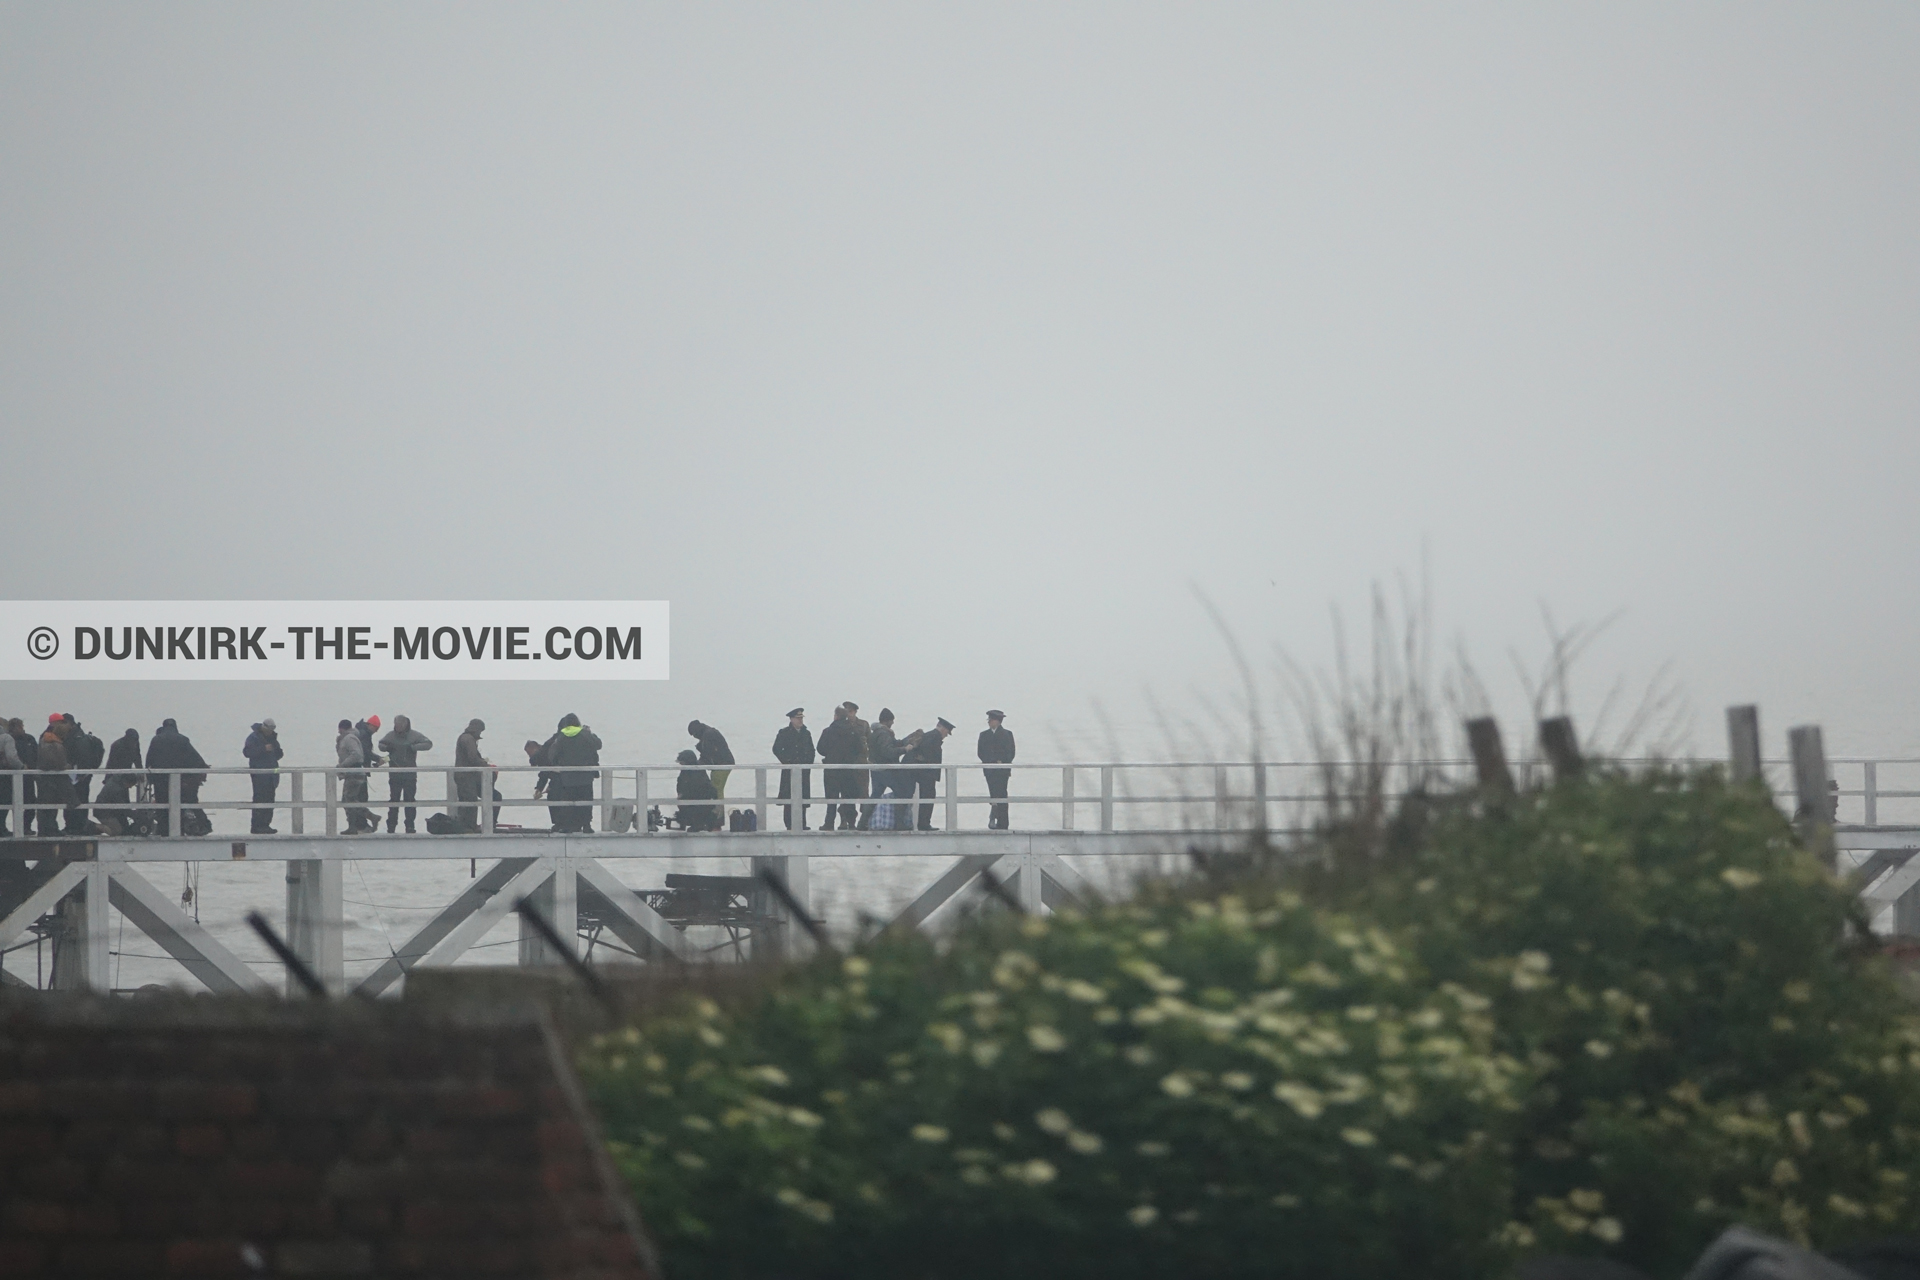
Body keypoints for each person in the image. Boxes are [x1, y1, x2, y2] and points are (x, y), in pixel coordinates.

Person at [146, 719, 209, 836]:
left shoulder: (156, 739)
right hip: (180, 781)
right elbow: (196, 759)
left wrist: (150, 778)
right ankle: (180, 829)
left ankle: (163, 831)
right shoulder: (183, 739)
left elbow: (149, 761)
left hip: (160, 781)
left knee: (162, 806)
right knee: (180, 805)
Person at [540, 713, 602, 832]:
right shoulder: (585, 734)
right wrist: (590, 733)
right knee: (586, 801)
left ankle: (569, 826)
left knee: (568, 802)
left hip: (567, 777)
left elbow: (552, 755)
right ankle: (587, 826)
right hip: (585, 776)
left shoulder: (561, 736)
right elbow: (598, 745)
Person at [378, 715, 434, 833]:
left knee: (410, 800)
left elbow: (428, 744)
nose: (398, 728)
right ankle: (391, 826)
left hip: (410, 775)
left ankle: (410, 825)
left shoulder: (414, 735)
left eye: (400, 725)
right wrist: (387, 747)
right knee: (394, 801)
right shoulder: (390, 736)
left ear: (405, 724)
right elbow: (380, 745)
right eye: (396, 725)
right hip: (394, 774)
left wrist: (413, 747)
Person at [903, 718, 955, 831]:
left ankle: (922, 823)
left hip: (921, 773)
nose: (946, 735)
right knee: (928, 797)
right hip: (926, 774)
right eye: (947, 732)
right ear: (942, 728)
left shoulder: (929, 735)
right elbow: (929, 754)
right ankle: (924, 824)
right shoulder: (934, 737)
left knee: (925, 797)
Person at [816, 705, 862, 831]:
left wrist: (831, 754)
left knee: (832, 798)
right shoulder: (853, 731)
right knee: (849, 798)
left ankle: (829, 823)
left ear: (836, 716)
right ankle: (852, 823)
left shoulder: (828, 731)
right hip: (848, 769)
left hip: (832, 770)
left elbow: (820, 749)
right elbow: (859, 749)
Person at [772, 708, 814, 830]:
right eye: (798, 718)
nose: (800, 720)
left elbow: (811, 750)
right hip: (789, 770)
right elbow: (776, 749)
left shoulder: (806, 733)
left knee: (802, 798)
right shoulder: (784, 733)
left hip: (803, 771)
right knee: (788, 798)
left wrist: (808, 764)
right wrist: (787, 761)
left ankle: (802, 824)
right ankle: (789, 824)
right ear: (791, 719)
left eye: (801, 718)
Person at [94, 729, 142, 836]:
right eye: (133, 741)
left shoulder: (135, 743)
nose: (134, 744)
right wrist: (108, 779)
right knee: (120, 804)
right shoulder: (117, 746)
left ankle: (124, 826)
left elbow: (137, 758)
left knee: (124, 803)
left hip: (125, 777)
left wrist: (141, 771)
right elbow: (111, 763)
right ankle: (120, 827)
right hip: (116, 776)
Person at [62, 714, 104, 835]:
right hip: (80, 775)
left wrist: (81, 774)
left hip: (78, 777)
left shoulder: (77, 738)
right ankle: (76, 825)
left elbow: (82, 756)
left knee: (77, 799)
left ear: (69, 723)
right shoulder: (76, 736)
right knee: (79, 800)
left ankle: (76, 826)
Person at [35, 717, 76, 838]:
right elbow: (59, 763)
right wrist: (66, 766)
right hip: (52, 781)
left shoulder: (44, 740)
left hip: (44, 780)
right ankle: (50, 829)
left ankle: (44, 829)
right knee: (51, 806)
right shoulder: (57, 745)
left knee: (44, 806)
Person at [242, 718, 284, 834]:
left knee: (270, 800)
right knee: (260, 799)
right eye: (270, 729)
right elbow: (247, 753)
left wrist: (277, 751)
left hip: (272, 775)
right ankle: (257, 826)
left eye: (273, 729)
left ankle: (266, 825)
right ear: (264, 727)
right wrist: (263, 749)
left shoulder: (272, 738)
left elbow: (278, 754)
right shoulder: (253, 737)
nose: (271, 731)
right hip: (259, 775)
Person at [862, 708, 901, 829]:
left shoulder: (876, 733)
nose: (893, 723)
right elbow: (888, 752)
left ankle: (862, 823)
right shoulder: (884, 734)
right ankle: (900, 824)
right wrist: (904, 749)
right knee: (901, 793)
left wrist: (902, 742)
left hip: (876, 770)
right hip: (885, 771)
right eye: (892, 720)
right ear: (887, 721)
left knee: (875, 796)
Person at [336, 719, 376, 834]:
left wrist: (342, 765)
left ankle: (354, 826)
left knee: (348, 800)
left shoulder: (349, 738)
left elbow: (357, 755)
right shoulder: (350, 737)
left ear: (341, 728)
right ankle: (367, 819)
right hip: (353, 773)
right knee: (349, 800)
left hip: (354, 773)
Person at [978, 710, 1016, 830]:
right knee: (993, 794)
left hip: (1002, 771)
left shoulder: (1007, 734)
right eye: (988, 719)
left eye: (991, 719)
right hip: (989, 770)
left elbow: (1010, 752)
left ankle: (1003, 823)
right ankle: (993, 818)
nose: (989, 722)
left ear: (998, 721)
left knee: (1002, 794)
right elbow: (981, 752)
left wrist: (1001, 761)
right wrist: (989, 761)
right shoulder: (984, 735)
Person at [453, 719, 490, 831]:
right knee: (470, 801)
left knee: (465, 801)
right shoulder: (468, 739)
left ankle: (464, 825)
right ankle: (469, 826)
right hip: (466, 776)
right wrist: (485, 764)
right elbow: (473, 758)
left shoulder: (464, 738)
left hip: (462, 775)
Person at [675, 749, 723, 831]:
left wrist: (682, 796)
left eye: (682, 762)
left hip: (700, 802)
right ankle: (701, 823)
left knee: (687, 808)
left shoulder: (693, 773)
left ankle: (698, 824)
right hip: (701, 801)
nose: (680, 764)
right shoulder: (691, 770)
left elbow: (695, 789)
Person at [687, 721, 734, 798]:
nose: (695, 737)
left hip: (722, 765)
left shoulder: (708, 735)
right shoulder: (709, 733)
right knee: (716, 788)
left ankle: (718, 808)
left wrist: (698, 764)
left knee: (716, 789)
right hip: (723, 764)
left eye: (694, 734)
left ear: (697, 731)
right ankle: (718, 808)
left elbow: (708, 754)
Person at [9, 720, 39, 835]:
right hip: (11, 778)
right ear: (13, 728)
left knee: (31, 802)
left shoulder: (29, 739)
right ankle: (15, 828)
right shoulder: (9, 740)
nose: (22, 729)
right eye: (19, 727)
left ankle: (26, 827)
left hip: (28, 777)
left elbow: (36, 754)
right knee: (12, 802)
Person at [0, 724, 21, 838]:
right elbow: (11, 757)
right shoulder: (5, 738)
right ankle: (1, 828)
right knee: (4, 801)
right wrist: (21, 767)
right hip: (4, 775)